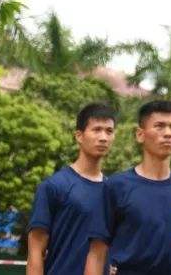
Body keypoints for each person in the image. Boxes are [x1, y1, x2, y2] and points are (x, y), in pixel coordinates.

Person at [85, 100, 171, 275]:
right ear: (140, 134)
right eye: (160, 126)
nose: (168, 133)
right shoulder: (116, 186)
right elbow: (96, 253)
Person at [26, 103, 117, 275]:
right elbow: (35, 252)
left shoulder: (114, 192)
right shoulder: (54, 186)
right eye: (96, 130)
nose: (103, 137)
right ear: (79, 136)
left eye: (109, 131)